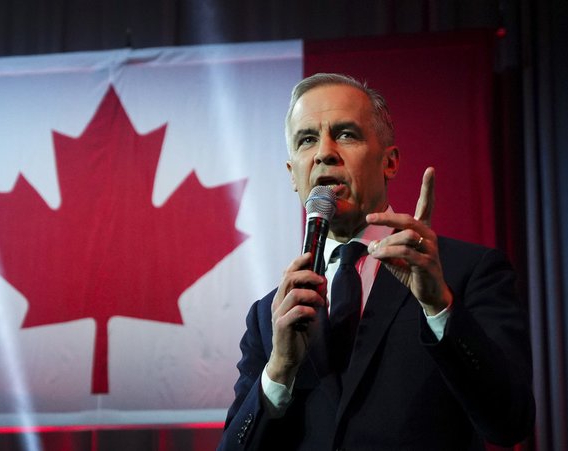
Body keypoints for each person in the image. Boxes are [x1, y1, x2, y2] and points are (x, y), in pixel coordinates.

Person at [218, 73, 535, 450]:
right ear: (293, 176)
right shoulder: (271, 316)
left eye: (346, 134)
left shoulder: (465, 273)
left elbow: (510, 422)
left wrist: (439, 307)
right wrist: (279, 371)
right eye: (307, 140)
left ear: (390, 162)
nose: (324, 152)